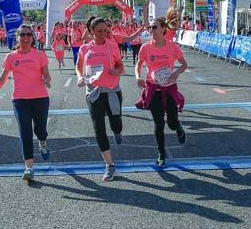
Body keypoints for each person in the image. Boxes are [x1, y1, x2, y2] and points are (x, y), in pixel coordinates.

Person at [0, 25, 51, 182]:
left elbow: (46, 74)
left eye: (28, 34)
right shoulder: (11, 57)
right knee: (25, 132)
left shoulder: (39, 54)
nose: (26, 37)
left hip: (40, 98)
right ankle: (29, 168)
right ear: (18, 37)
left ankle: (42, 141)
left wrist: (47, 80)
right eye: (23, 35)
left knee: (40, 129)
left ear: (32, 37)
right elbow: (2, 78)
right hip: (20, 100)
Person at [76, 18, 125, 181]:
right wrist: (80, 77)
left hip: (112, 91)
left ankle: (117, 131)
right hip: (93, 93)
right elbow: (79, 65)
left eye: (106, 30)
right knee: (99, 128)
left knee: (115, 123)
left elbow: (121, 66)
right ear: (91, 32)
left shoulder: (112, 46)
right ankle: (110, 166)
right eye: (99, 31)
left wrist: (116, 71)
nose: (103, 33)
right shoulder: (85, 48)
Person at [135, 17, 188, 167]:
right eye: (151, 28)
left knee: (171, 123)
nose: (152, 30)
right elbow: (138, 65)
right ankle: (161, 153)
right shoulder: (145, 47)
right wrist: (138, 77)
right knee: (158, 123)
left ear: (163, 29)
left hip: (169, 88)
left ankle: (178, 128)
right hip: (153, 88)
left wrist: (175, 74)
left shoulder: (172, 46)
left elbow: (184, 64)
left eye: (155, 27)